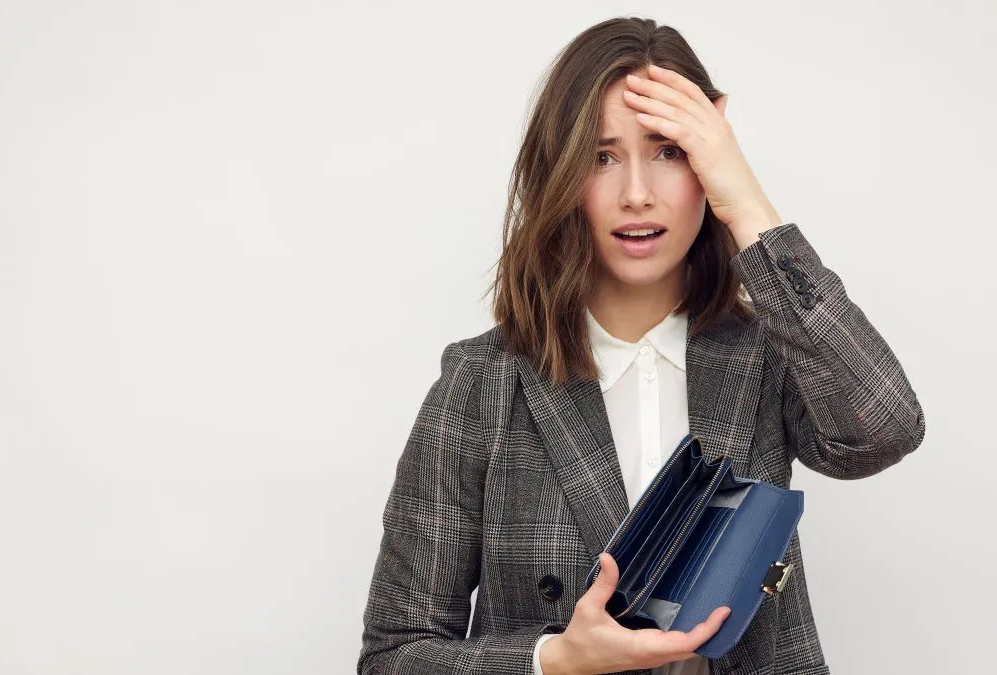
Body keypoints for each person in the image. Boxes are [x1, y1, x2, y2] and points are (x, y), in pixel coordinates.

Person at [356, 16, 925, 675]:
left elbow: (884, 429)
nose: (636, 194)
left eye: (669, 151)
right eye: (602, 157)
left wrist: (745, 202)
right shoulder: (482, 383)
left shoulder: (766, 356)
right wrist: (555, 659)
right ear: (562, 177)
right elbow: (393, 658)